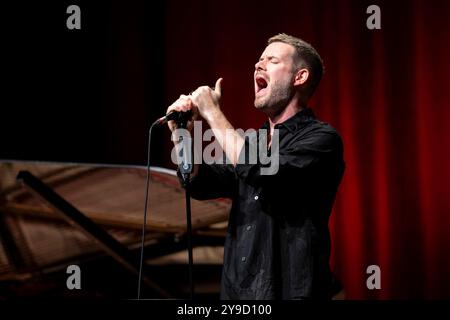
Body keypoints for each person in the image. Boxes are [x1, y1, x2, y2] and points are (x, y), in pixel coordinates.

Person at [166, 33, 345, 299]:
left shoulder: (321, 139)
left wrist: (212, 112)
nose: (257, 66)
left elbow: (263, 171)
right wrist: (181, 134)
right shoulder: (251, 143)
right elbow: (198, 182)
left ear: (300, 77)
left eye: (271, 60)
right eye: (258, 61)